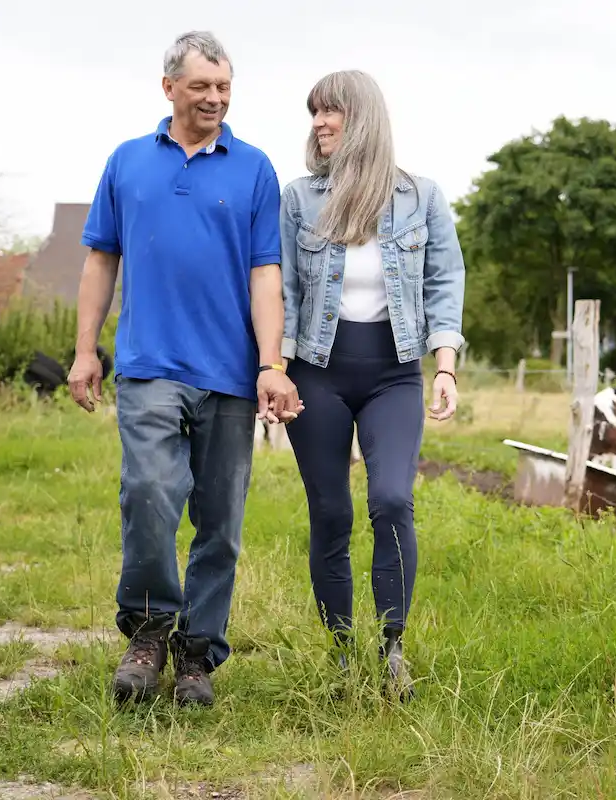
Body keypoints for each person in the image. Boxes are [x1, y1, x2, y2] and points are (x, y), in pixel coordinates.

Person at [66, 30, 301, 707]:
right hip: (149, 364)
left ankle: (197, 654)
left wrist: (270, 364)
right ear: (169, 87)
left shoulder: (254, 168)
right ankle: (148, 630)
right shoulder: (128, 162)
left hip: (230, 374)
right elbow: (99, 259)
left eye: (224, 88)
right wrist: (86, 350)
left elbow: (266, 272)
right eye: (201, 87)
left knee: (220, 521)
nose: (214, 99)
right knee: (148, 494)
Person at [278, 70, 466, 700]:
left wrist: (444, 367)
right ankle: (340, 656)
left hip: (393, 375)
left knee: (391, 500)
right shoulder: (300, 199)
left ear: (363, 118)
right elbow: (285, 291)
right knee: (330, 513)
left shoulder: (423, 198)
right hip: (316, 375)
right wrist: (274, 370)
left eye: (330, 112)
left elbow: (444, 283)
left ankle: (392, 651)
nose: (318, 124)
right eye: (314, 114)